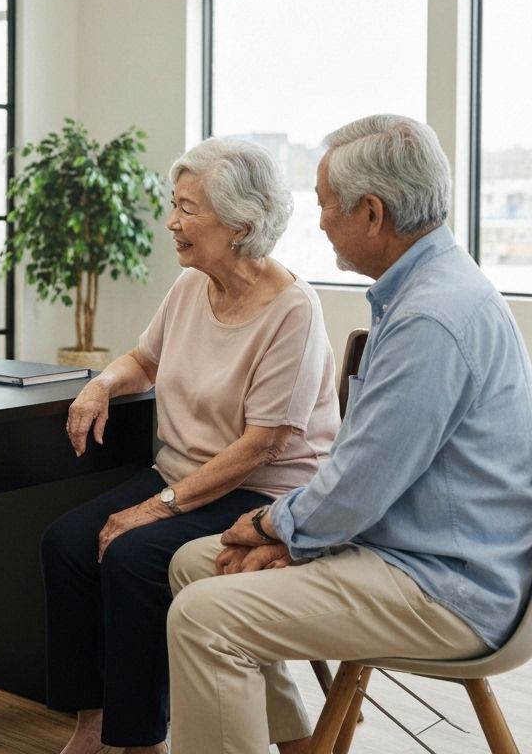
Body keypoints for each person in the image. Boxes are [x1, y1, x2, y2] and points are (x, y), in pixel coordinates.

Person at [166, 114, 532, 754]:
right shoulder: (431, 289)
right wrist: (295, 535)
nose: (320, 220)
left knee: (206, 616)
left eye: (327, 206)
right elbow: (362, 478)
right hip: (421, 551)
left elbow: (359, 485)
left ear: (371, 213)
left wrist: (268, 527)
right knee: (197, 565)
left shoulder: (431, 319)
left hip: (447, 586)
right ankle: (297, 741)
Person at [41, 137, 339, 754]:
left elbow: (261, 445)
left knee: (133, 556)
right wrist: (100, 384)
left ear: (241, 224)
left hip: (260, 490)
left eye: (187, 208)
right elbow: (142, 359)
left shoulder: (292, 310)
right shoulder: (190, 287)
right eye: (173, 204)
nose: (171, 221)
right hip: (182, 474)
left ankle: (139, 740)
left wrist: (154, 508)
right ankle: (92, 726)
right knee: (66, 543)